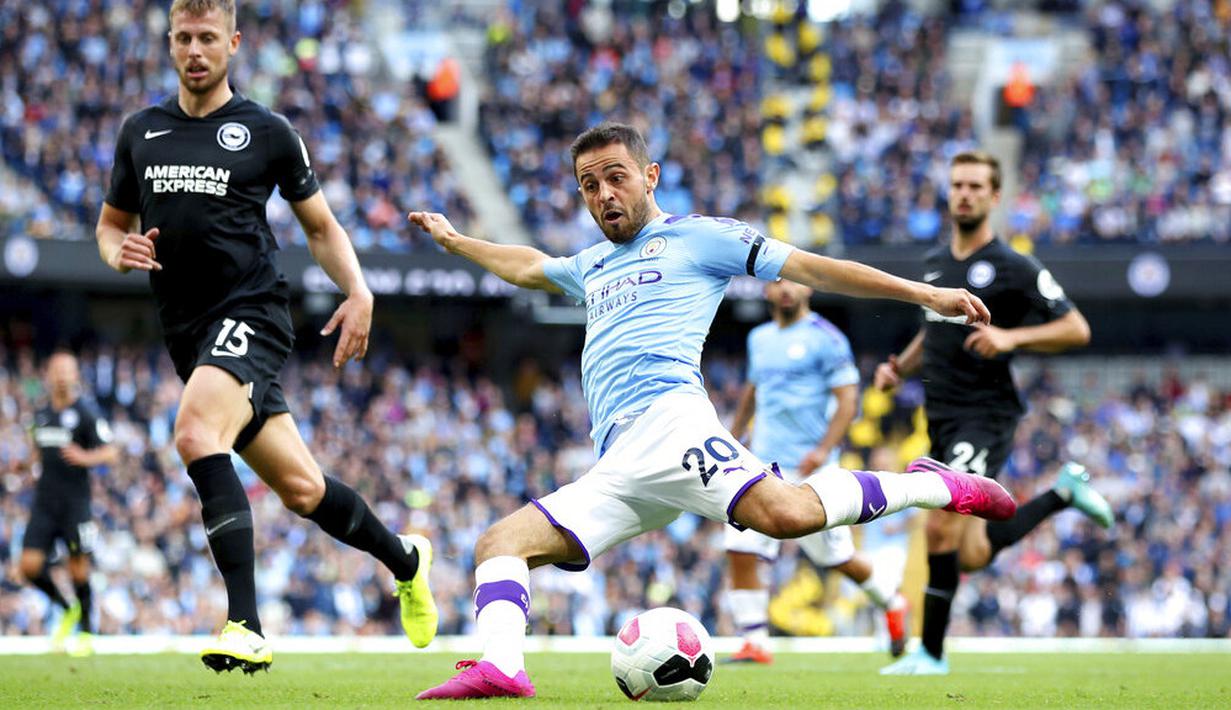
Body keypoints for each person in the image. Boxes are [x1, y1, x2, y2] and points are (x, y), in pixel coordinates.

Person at [408, 122, 1015, 700]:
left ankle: (928, 486)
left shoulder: (701, 237)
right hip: (618, 462)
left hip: (673, 423)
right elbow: (525, 266)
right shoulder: (590, 266)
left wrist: (924, 294)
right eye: (589, 185)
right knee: (499, 544)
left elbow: (813, 268)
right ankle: (502, 669)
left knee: (786, 516)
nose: (603, 194)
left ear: (651, 176)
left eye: (615, 177)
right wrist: (458, 242)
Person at [94, 0, 436, 673]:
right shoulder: (141, 132)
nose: (196, 50)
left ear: (234, 44)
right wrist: (117, 253)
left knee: (195, 433)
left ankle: (245, 623)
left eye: (208, 39)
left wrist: (358, 291)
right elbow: (110, 226)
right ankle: (406, 558)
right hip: (187, 333)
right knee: (304, 491)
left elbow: (320, 227)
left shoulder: (267, 131)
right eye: (184, 38)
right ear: (169, 44)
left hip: (252, 313)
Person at [875, 151, 1113, 676]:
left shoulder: (1013, 266)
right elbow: (930, 330)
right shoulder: (937, 262)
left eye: (976, 185)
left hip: (983, 414)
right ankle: (1063, 493)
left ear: (994, 196)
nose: (964, 193)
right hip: (941, 416)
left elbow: (1077, 328)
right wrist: (900, 367)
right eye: (957, 183)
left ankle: (931, 655)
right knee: (970, 553)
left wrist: (1010, 337)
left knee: (940, 525)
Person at [723, 280, 907, 664]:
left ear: (808, 289)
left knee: (837, 557)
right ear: (767, 292)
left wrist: (823, 449)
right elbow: (753, 392)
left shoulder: (827, 338)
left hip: (812, 469)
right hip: (760, 465)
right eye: (777, 282)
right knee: (740, 547)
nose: (786, 289)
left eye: (793, 281)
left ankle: (891, 601)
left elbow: (848, 401)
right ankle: (755, 641)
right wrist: (733, 437)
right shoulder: (760, 337)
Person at [20, 351, 118, 656]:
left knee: (78, 569)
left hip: (75, 504)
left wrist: (85, 457)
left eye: (68, 370)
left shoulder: (87, 413)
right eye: (57, 370)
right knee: (28, 566)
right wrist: (27, 467)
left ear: (76, 376)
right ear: (48, 375)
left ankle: (88, 629)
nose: (62, 375)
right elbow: (36, 452)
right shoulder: (40, 415)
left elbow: (111, 452)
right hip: (44, 503)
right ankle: (67, 608)